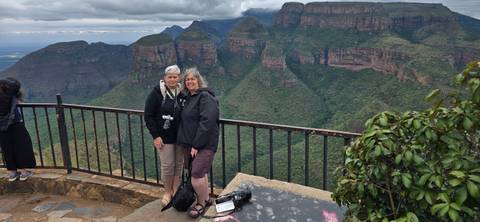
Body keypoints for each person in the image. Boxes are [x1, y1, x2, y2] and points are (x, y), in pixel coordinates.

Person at [177, 68, 219, 218]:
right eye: (187, 80)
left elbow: (206, 122)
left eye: (192, 79)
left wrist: (196, 145)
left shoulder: (205, 97)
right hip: (190, 144)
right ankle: (206, 199)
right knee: (201, 173)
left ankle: (200, 203)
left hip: (204, 144)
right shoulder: (190, 98)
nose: (189, 81)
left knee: (196, 175)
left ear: (199, 81)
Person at [144, 65, 185, 207]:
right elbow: (148, 116)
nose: (172, 79)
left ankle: (176, 191)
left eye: (175, 76)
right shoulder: (156, 93)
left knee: (179, 165)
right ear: (165, 78)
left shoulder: (181, 93)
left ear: (178, 78)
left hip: (180, 137)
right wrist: (155, 136)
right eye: (170, 77)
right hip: (164, 138)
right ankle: (167, 192)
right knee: (168, 165)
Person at [0, 77, 36, 181]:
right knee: (22, 145)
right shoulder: (7, 95)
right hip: (14, 122)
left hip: (1, 126)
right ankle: (25, 171)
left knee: (7, 148)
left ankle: (12, 172)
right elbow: (16, 84)